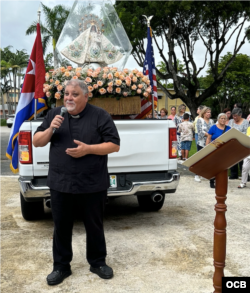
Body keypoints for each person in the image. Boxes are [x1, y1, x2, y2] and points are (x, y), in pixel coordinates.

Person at [33, 79, 120, 285]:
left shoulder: (100, 115)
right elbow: (37, 142)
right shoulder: (55, 114)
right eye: (66, 94)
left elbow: (114, 145)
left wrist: (88, 149)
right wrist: (50, 130)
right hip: (61, 182)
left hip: (92, 182)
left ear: (86, 96)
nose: (69, 98)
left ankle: (97, 262)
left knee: (95, 225)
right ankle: (61, 266)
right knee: (61, 226)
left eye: (74, 94)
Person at [206, 113, 231, 188]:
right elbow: (208, 138)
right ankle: (212, 180)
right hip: (214, 148)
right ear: (218, 119)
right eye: (221, 118)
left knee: (222, 166)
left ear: (226, 120)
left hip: (224, 150)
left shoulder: (228, 128)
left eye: (224, 118)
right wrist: (207, 147)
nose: (223, 120)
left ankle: (221, 181)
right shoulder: (213, 127)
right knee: (214, 165)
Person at [228, 108, 249, 179]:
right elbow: (228, 130)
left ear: (240, 115)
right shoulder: (231, 121)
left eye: (236, 116)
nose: (234, 117)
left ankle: (244, 176)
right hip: (232, 143)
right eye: (233, 116)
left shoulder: (245, 122)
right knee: (232, 159)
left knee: (242, 160)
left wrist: (236, 134)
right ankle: (234, 174)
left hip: (241, 143)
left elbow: (246, 133)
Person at [195, 107, 214, 182]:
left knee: (208, 159)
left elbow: (214, 130)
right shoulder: (200, 120)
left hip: (210, 142)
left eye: (210, 112)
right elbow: (200, 131)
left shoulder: (212, 121)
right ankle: (196, 174)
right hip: (201, 142)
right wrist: (209, 135)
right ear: (204, 113)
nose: (209, 113)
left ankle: (204, 174)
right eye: (207, 112)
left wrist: (211, 136)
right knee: (200, 159)